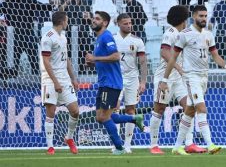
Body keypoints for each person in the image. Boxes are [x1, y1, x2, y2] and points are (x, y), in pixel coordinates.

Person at [159, 5, 226, 155]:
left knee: (190, 112)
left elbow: (215, 55)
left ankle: (177, 147)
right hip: (190, 76)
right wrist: (164, 79)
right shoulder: (185, 34)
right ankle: (210, 144)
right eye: (201, 16)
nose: (203, 19)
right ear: (193, 16)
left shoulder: (209, 35)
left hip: (204, 77)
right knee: (202, 108)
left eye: (205, 16)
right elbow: (172, 58)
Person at [148, 5, 207, 155]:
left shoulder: (186, 34)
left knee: (190, 106)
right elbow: (164, 52)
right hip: (165, 77)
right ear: (183, 18)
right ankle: (154, 145)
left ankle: (189, 143)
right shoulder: (171, 32)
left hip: (180, 78)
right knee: (159, 109)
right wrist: (179, 69)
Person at [85, 11, 144, 155]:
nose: (94, 20)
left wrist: (95, 59)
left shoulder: (106, 36)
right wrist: (92, 63)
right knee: (101, 117)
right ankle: (134, 118)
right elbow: (103, 60)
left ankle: (119, 147)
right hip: (104, 82)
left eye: (97, 19)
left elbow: (116, 56)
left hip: (111, 83)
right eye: (93, 18)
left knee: (105, 116)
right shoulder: (99, 38)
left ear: (104, 23)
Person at [39, 11, 80, 155]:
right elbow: (46, 61)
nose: (67, 22)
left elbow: (66, 58)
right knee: (51, 112)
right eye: (67, 20)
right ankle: (50, 146)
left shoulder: (63, 37)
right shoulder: (48, 38)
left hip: (64, 78)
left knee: (75, 111)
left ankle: (69, 138)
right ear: (62, 21)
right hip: (50, 79)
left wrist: (73, 78)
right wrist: (55, 82)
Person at [113, 14, 148, 153]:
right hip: (116, 78)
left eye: (130, 23)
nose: (129, 25)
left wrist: (143, 81)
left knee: (130, 110)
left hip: (133, 78)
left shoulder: (137, 40)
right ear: (119, 24)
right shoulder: (112, 39)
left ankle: (127, 145)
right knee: (114, 109)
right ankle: (116, 144)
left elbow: (143, 62)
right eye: (125, 23)